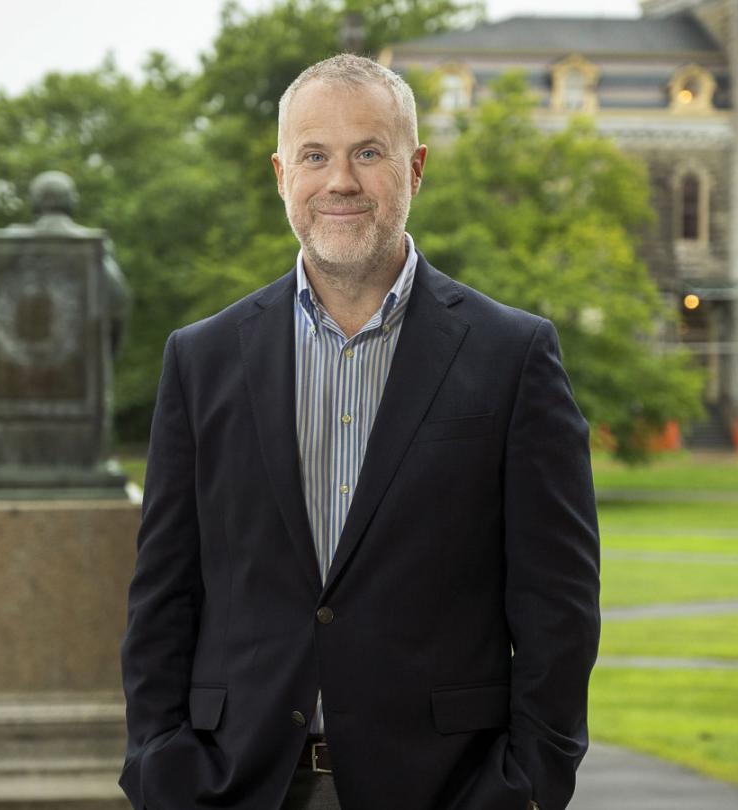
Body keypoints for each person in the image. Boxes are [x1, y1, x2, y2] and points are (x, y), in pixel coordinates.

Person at [119, 53, 600, 810]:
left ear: (416, 169)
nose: (340, 180)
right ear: (282, 175)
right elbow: (163, 594)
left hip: (446, 790)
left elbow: (558, 604)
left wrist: (529, 787)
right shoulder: (201, 359)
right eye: (315, 155)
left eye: (368, 152)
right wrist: (157, 763)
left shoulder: (513, 356)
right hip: (235, 785)